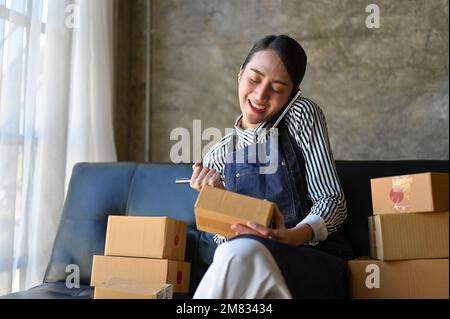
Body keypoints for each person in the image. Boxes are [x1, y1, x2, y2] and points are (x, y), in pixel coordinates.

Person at [189, 34, 353, 299]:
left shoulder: (301, 115)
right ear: (240, 74)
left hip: (308, 257)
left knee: (239, 255)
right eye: (254, 79)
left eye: (277, 88)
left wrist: (290, 236)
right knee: (234, 253)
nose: (260, 94)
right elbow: (223, 241)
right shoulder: (218, 154)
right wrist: (219, 200)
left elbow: (333, 201)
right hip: (249, 260)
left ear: (292, 95)